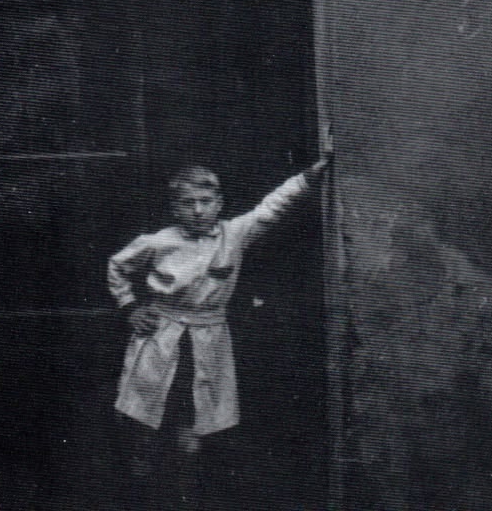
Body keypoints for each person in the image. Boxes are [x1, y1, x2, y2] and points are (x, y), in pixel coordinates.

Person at [106, 155, 329, 508]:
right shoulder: (157, 242)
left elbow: (272, 207)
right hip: (161, 336)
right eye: (187, 203)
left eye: (206, 202)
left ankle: (185, 493)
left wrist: (306, 178)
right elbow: (117, 266)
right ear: (174, 208)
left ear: (219, 204)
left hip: (207, 340)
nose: (197, 210)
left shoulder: (234, 233)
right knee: (142, 416)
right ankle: (141, 476)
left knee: (192, 415)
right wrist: (130, 308)